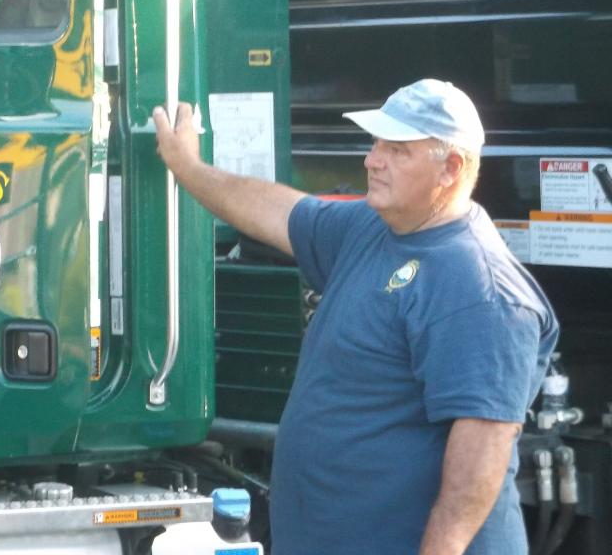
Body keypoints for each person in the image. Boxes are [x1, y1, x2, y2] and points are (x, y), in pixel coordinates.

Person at [153, 78, 558, 555]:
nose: (372, 160)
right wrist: (188, 167)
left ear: (450, 167)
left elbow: (477, 471)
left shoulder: (479, 290)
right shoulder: (373, 228)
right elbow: (278, 210)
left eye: (397, 150)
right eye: (375, 143)